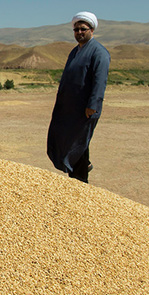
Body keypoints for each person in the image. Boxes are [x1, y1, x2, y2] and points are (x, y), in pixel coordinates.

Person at [47, 11, 110, 183]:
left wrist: (93, 105)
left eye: (83, 29)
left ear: (92, 30)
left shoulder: (99, 53)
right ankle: (81, 167)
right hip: (70, 108)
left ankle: (80, 179)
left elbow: (99, 82)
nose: (79, 33)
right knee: (71, 138)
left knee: (79, 140)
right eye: (76, 30)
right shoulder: (75, 52)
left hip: (85, 108)